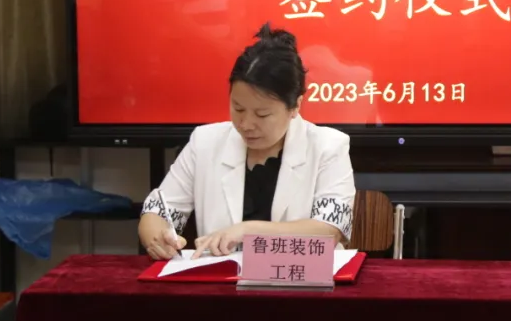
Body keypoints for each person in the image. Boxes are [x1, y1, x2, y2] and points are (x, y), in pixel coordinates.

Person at [139, 24, 356, 260]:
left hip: (300, 279)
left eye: (262, 114)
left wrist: (248, 230)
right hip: (222, 280)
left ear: (295, 106)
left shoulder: (328, 147)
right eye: (238, 108)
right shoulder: (205, 142)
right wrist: (159, 238)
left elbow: (329, 230)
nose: (246, 124)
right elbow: (157, 211)